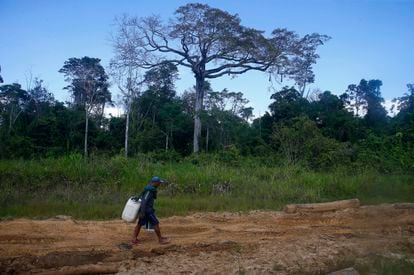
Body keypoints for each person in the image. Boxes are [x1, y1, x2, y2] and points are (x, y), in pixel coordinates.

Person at [131, 176, 169, 245]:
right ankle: (160, 239)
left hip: (145, 210)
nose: (159, 184)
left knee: (139, 224)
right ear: (155, 182)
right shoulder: (149, 190)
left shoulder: (150, 188)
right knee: (155, 223)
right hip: (147, 210)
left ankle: (134, 239)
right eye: (159, 183)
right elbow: (144, 201)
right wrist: (142, 212)